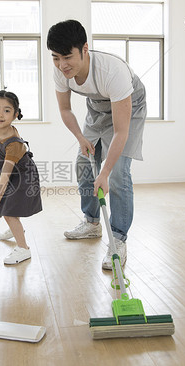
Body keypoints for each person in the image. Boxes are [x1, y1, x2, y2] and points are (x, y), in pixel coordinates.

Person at [47, 20, 147, 270]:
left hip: (129, 108)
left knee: (117, 175)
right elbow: (65, 109)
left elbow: (121, 131)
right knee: (83, 164)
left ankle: (118, 240)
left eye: (68, 57)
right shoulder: (61, 71)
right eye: (55, 58)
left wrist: (104, 172)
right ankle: (92, 223)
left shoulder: (112, 71)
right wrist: (82, 139)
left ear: (85, 49)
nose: (62, 65)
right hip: (97, 108)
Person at [0, 90, 42, 265]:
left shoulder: (14, 143)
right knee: (8, 206)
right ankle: (16, 229)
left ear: (16, 114)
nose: (0, 114)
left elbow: (5, 177)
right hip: (10, 172)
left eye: (7, 111)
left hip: (23, 176)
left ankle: (23, 249)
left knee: (8, 210)